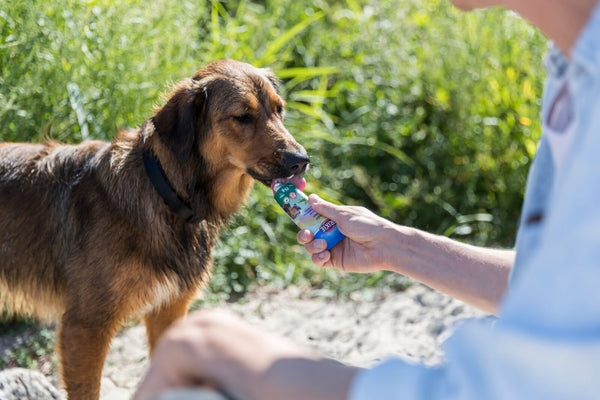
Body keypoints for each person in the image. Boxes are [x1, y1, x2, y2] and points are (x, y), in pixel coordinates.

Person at [134, 0, 600, 399]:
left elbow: (539, 387)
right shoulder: (575, 74)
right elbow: (558, 293)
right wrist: (397, 245)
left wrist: (242, 357)